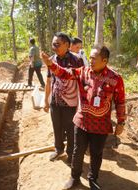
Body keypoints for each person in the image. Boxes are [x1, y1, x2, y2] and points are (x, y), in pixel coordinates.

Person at [41, 46, 126, 190]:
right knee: (77, 151)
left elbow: (120, 101)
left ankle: (93, 179)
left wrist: (121, 122)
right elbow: (64, 73)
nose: (90, 61)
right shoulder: (83, 72)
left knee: (96, 153)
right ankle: (74, 178)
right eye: (90, 57)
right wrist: (50, 64)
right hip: (82, 122)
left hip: (100, 125)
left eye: (94, 58)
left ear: (104, 60)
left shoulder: (115, 79)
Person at [44, 32, 83, 164]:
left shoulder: (77, 60)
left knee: (71, 130)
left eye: (57, 44)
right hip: (55, 101)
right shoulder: (51, 60)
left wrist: (80, 104)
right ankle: (58, 149)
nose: (54, 47)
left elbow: (81, 83)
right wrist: (46, 100)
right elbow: (49, 81)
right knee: (57, 128)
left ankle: (71, 153)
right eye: (53, 44)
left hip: (70, 103)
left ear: (67, 45)